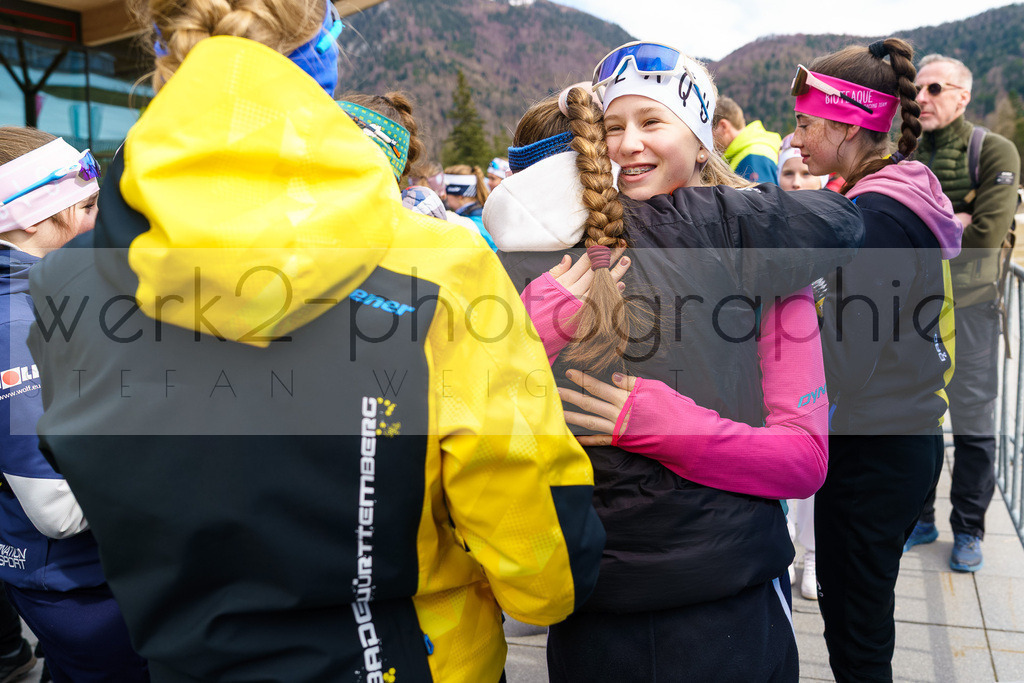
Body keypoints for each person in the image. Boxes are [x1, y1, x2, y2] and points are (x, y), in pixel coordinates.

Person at [25, 2, 605, 681]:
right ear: (321, 50)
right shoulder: (438, 263)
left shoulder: (66, 279)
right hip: (412, 654)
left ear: (166, 56)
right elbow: (538, 545)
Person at [486, 41, 865, 681]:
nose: (629, 144)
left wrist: (662, 423)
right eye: (613, 127)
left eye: (652, 122)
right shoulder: (546, 264)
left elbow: (804, 460)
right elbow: (474, 409)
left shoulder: (772, 265)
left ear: (699, 137)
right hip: (595, 600)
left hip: (723, 602)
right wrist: (536, 324)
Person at [789, 38, 962, 680]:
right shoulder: (892, 198)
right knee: (862, 619)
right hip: (898, 433)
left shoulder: (879, 216)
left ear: (847, 122)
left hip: (876, 447)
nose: (797, 136)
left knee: (858, 636)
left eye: (806, 121)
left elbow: (847, 356)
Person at [0, 127, 149, 682]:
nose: (98, 221)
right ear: (32, 218)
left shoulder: (47, 290)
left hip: (85, 577)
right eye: (87, 205)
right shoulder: (15, 326)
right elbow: (57, 510)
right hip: (77, 586)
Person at [905, 54, 1021, 572]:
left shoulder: (993, 149)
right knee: (916, 418)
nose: (922, 98)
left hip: (972, 311)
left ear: (962, 96)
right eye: (917, 90)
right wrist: (954, 219)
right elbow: (886, 233)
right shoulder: (906, 154)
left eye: (934, 88)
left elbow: (983, 241)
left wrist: (927, 231)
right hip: (914, 309)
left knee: (974, 422)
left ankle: (970, 528)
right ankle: (920, 518)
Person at [775, 133, 829, 601]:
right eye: (787, 174)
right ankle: (786, 548)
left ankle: (811, 556)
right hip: (773, 372)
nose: (796, 182)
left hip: (824, 370)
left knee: (812, 471)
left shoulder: (837, 232)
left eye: (805, 173)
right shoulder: (762, 233)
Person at [713, 95, 783, 184]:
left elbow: (759, 197)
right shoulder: (745, 152)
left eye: (710, 130)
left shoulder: (752, 157)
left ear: (723, 126)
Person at [443, 163, 496, 249]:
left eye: (446, 191)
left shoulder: (470, 225)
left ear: (460, 195)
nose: (443, 195)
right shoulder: (484, 216)